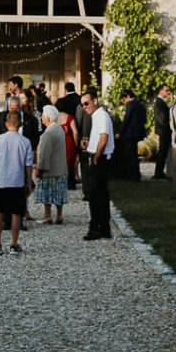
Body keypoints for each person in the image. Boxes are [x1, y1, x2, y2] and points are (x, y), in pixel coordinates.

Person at [0, 110, 33, 255]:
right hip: (17, 181)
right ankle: (14, 243)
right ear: (20, 124)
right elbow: (28, 164)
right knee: (16, 213)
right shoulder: (25, 142)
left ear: (6, 124)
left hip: (1, 180)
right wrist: (29, 182)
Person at [80, 91, 114, 240]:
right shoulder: (97, 116)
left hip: (100, 159)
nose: (84, 107)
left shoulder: (101, 116)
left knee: (95, 195)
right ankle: (103, 227)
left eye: (86, 103)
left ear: (95, 101)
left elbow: (104, 138)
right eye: (82, 105)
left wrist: (96, 157)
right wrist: (89, 145)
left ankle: (96, 228)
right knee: (100, 194)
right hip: (97, 156)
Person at [33, 105, 68, 224]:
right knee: (59, 193)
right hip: (60, 168)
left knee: (47, 193)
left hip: (49, 170)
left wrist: (39, 169)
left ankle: (47, 215)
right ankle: (59, 215)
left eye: (43, 115)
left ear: (47, 117)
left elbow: (43, 154)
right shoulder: (59, 129)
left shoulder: (48, 133)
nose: (41, 118)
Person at [116, 89, 147, 182]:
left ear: (128, 97)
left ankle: (132, 175)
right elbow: (144, 119)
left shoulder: (130, 104)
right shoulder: (140, 104)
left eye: (124, 99)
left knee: (130, 155)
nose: (125, 101)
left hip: (130, 133)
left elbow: (127, 119)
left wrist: (120, 132)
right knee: (134, 154)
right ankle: (136, 174)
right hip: (138, 132)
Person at [153, 84, 172, 180]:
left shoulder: (161, 101)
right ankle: (158, 172)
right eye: (166, 90)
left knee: (163, 151)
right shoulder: (159, 102)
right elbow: (162, 117)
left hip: (163, 129)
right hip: (164, 130)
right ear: (161, 91)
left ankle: (159, 172)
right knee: (162, 151)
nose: (168, 92)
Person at [58, 104, 79, 190]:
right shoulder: (70, 117)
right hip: (68, 142)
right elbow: (75, 132)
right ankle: (69, 182)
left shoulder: (55, 118)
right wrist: (76, 144)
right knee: (69, 165)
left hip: (58, 143)